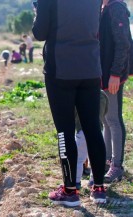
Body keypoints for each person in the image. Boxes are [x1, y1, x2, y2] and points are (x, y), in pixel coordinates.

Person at [33, 0, 107, 206]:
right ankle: (99, 188)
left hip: (61, 68)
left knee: (64, 131)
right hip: (91, 67)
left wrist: (37, 10)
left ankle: (70, 190)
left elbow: (39, 33)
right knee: (92, 127)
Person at [100, 0, 131, 184]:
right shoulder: (103, 8)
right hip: (103, 73)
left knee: (113, 118)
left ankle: (117, 166)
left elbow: (123, 44)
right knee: (105, 119)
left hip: (112, 74)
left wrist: (115, 74)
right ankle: (107, 161)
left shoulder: (116, 8)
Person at [75, 90, 108, 189]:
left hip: (82, 131)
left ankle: (76, 181)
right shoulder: (102, 95)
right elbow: (105, 111)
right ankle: (94, 180)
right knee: (96, 157)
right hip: (98, 131)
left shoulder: (77, 94)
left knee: (78, 159)